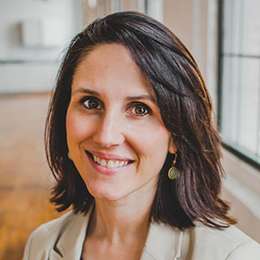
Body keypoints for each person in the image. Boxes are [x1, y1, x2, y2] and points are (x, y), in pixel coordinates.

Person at [23, 11, 260, 260]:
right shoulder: (42, 245)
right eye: (91, 103)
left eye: (140, 109)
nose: (106, 136)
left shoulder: (235, 256)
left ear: (176, 136)